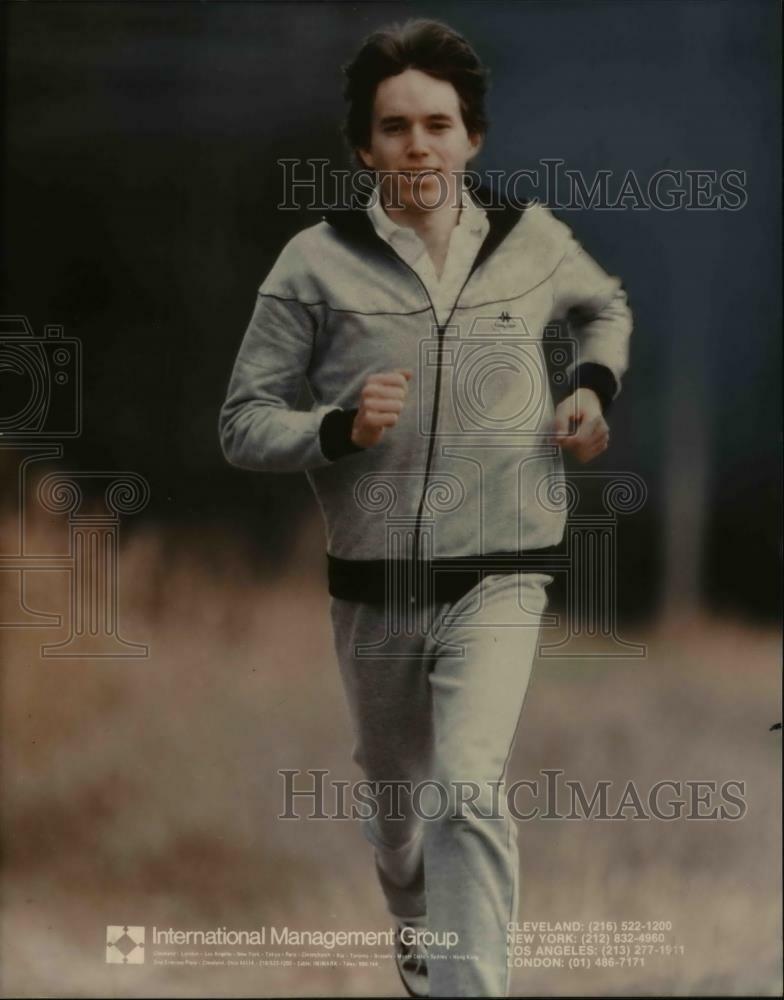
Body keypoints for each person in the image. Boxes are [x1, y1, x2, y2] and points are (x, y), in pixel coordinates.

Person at [219, 17, 632, 998]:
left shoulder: (533, 241)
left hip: (504, 568)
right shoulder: (313, 262)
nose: (419, 145)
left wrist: (591, 387)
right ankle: (414, 924)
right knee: (400, 808)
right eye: (395, 126)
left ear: (471, 137)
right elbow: (240, 423)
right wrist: (334, 430)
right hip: (373, 587)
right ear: (364, 145)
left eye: (438, 124)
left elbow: (602, 305)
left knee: (467, 792)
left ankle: (468, 985)